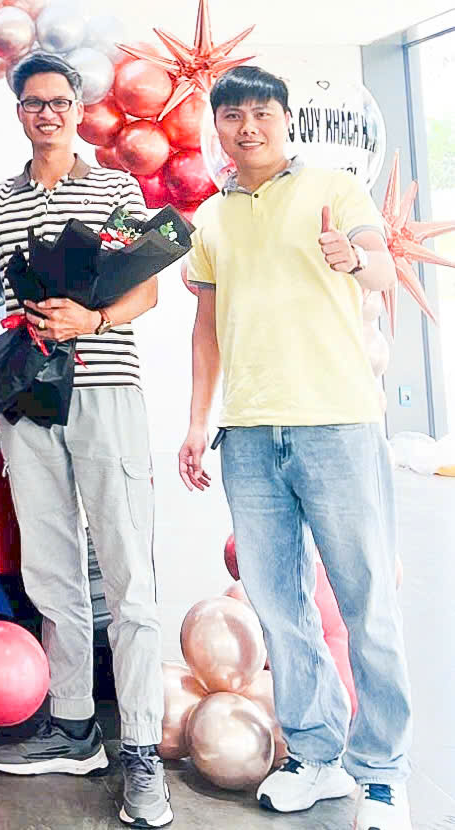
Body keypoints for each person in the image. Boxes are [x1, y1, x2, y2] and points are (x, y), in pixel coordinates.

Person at [0, 51, 170, 828]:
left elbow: (148, 287)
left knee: (127, 574)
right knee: (50, 566)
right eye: (34, 102)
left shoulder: (116, 188)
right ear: (19, 112)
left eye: (60, 101)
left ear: (78, 108)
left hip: (105, 392)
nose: (48, 113)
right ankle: (72, 726)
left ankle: (141, 749)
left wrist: (92, 319)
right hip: (28, 399)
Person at [179, 65, 412, 829]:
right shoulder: (212, 218)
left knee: (367, 601)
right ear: (218, 128)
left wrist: (355, 260)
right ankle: (316, 756)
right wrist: (196, 422)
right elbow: (206, 330)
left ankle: (383, 775)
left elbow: (381, 264)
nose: (248, 127)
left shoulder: (335, 190)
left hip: (338, 424)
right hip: (248, 434)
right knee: (281, 608)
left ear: (286, 120)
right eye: (233, 116)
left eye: (262, 113)